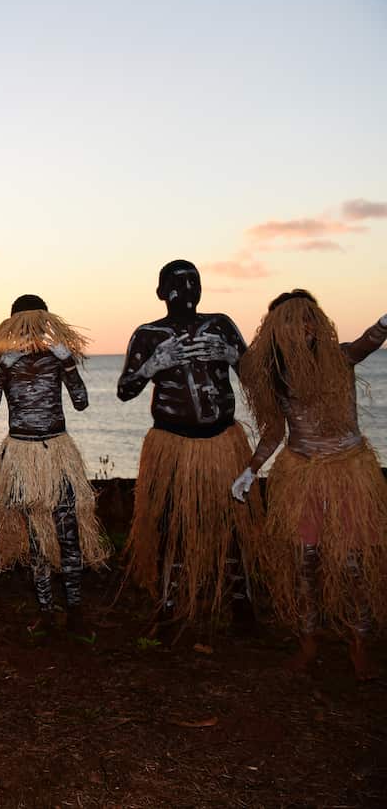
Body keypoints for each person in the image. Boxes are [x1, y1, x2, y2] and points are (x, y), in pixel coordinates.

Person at [232, 293, 387, 680]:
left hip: (349, 472)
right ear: (276, 329)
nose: (303, 327)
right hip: (301, 474)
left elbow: (369, 340)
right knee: (305, 560)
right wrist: (251, 470)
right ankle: (308, 643)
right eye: (292, 321)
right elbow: (273, 432)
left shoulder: (341, 358)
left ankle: (359, 645)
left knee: (353, 564)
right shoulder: (276, 375)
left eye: (308, 318)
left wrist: (385, 322)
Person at [117, 260, 259, 633]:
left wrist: (232, 357)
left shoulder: (221, 326)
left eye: (193, 282)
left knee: (231, 523)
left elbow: (254, 378)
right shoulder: (148, 334)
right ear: (162, 293)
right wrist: (152, 366)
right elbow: (124, 390)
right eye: (177, 284)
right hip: (173, 444)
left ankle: (241, 602)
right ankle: (169, 604)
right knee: (171, 524)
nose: (187, 290)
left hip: (222, 444)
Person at [0, 295, 108, 636]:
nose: (30, 331)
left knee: (68, 534)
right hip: (23, 456)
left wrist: (68, 364)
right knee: (35, 538)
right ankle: (47, 613)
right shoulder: (4, 363)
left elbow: (80, 402)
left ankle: (75, 611)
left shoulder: (55, 359)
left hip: (56, 454)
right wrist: (1, 370)